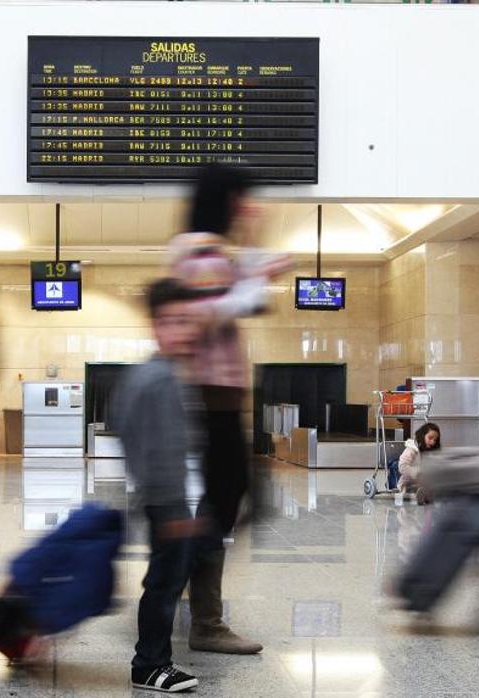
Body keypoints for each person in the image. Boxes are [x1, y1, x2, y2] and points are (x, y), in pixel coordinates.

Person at [167, 164, 291, 656]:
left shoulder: (208, 249)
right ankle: (204, 619)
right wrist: (257, 265)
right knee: (224, 502)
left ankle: (179, 583)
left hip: (217, 392)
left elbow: (248, 300)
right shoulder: (201, 249)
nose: (248, 208)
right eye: (242, 199)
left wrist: (255, 264)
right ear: (225, 200)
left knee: (224, 501)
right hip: (211, 391)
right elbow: (217, 310)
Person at [112, 278, 204, 693]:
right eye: (172, 321)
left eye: (187, 321)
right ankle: (150, 664)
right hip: (166, 502)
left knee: (165, 583)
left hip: (168, 497)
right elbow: (140, 440)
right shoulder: (156, 378)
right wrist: (167, 506)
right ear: (154, 325)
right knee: (163, 587)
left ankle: (154, 660)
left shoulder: (162, 374)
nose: (182, 330)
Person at [395, 422, 441, 495]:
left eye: (435, 440)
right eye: (430, 438)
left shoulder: (428, 451)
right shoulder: (411, 449)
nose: (432, 442)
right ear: (422, 436)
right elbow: (402, 466)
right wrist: (417, 472)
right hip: (408, 483)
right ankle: (422, 493)